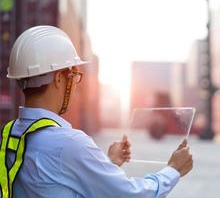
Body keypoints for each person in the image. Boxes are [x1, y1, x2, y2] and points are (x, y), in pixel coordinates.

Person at [0, 25, 193, 198]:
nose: (76, 86)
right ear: (59, 78)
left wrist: (107, 164)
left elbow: (53, 183)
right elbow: (132, 195)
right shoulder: (69, 143)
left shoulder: (9, 134)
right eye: (74, 76)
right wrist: (173, 169)